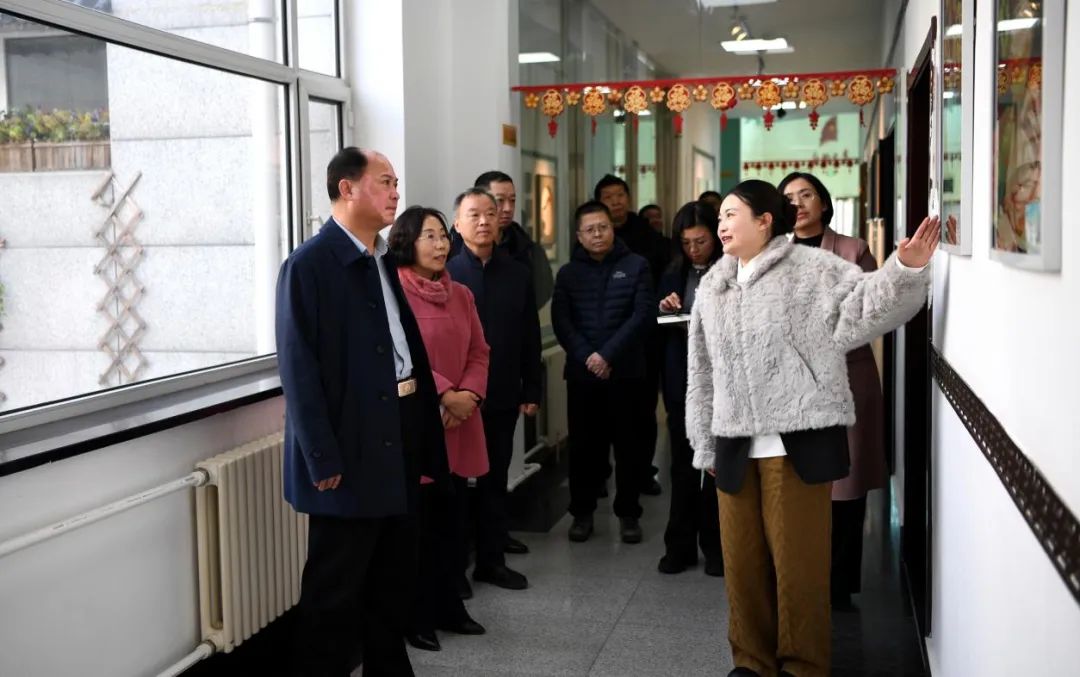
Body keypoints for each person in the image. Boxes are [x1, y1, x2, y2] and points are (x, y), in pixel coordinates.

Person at [686, 179, 938, 677]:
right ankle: (751, 662)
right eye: (720, 217)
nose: (721, 224)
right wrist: (704, 441)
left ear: (765, 221)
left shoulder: (812, 270)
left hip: (796, 442)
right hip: (734, 442)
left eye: (732, 214)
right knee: (742, 564)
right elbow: (701, 369)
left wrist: (904, 268)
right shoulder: (714, 284)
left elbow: (867, 306)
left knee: (798, 567)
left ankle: (803, 665)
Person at [276, 147, 448, 676]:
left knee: (393, 579)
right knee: (335, 589)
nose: (396, 192)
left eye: (396, 182)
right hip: (348, 447)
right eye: (385, 181)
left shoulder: (382, 258)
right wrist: (321, 457)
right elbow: (298, 369)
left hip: (398, 432)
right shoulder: (309, 265)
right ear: (347, 189)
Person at [779, 171, 887, 610]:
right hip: (792, 382)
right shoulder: (773, 253)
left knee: (845, 483)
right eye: (789, 197)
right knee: (797, 482)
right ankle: (801, 580)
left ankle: (839, 585)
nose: (798, 203)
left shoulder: (852, 250)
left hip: (847, 376)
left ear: (823, 203)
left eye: (806, 194)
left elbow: (870, 312)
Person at [388, 206, 490, 652]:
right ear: (406, 241)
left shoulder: (461, 294)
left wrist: (469, 395)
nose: (440, 244)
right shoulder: (394, 293)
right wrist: (446, 395)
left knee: (454, 521)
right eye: (428, 236)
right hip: (421, 421)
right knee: (419, 528)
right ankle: (417, 616)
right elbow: (402, 357)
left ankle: (451, 605)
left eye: (443, 236)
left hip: (461, 419)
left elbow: (480, 351)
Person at [447, 187, 542, 591]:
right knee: (453, 485)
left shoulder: (518, 273)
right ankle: (452, 571)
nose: (484, 221)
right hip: (456, 400)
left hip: (501, 392)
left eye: (490, 213)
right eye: (474, 214)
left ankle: (491, 561)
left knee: (494, 479)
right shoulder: (446, 273)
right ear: (457, 224)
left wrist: (532, 389)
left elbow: (529, 336)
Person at [552, 200, 654, 544]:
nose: (597, 234)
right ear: (579, 236)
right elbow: (562, 322)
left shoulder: (636, 266)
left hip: (626, 374)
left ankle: (628, 514)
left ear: (613, 229)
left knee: (629, 447)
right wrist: (589, 357)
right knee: (584, 449)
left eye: (603, 227)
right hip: (583, 376)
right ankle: (582, 513)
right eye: (590, 230)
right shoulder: (568, 274)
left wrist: (608, 355)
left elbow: (642, 315)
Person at [656, 201, 724, 577]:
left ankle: (717, 547)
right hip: (681, 377)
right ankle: (679, 546)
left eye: (701, 241)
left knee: (717, 466)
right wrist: (666, 307)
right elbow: (658, 319)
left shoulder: (730, 270)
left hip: (720, 380)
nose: (694, 250)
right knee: (682, 465)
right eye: (686, 243)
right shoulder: (673, 272)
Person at [594, 174, 670, 497]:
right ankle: (599, 474)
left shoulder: (648, 236)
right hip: (602, 345)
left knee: (642, 413)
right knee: (600, 415)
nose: (615, 201)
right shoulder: (591, 238)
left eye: (620, 195)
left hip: (642, 341)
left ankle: (642, 472)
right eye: (608, 196)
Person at [457, 170, 555, 309]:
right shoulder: (451, 248)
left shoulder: (527, 249)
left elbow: (540, 293)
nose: (508, 208)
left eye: (512, 200)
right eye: (500, 200)